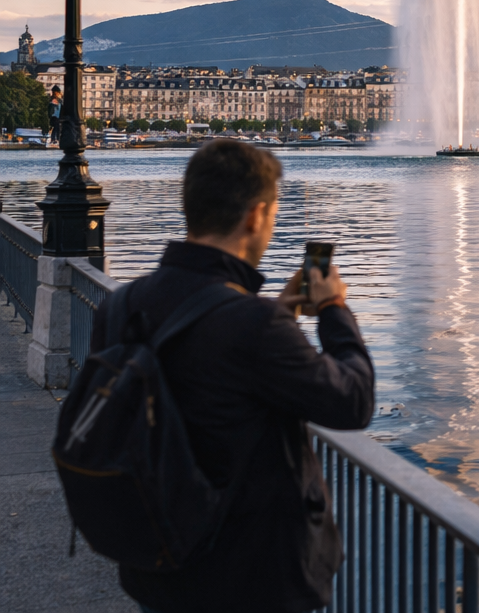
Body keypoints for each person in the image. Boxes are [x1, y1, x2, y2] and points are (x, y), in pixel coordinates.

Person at [91, 138, 374, 613]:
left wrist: (279, 313)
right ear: (256, 216)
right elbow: (353, 401)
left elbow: (198, 371)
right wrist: (332, 308)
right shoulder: (255, 327)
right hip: (249, 577)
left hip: (158, 563)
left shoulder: (122, 305)